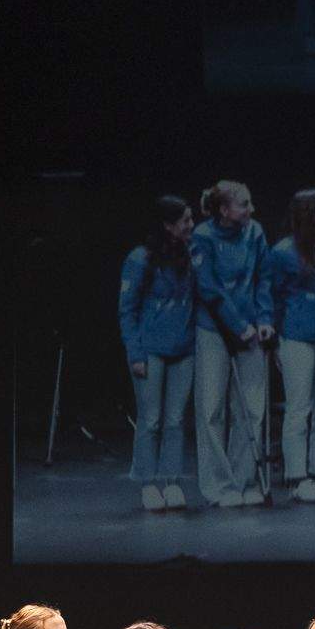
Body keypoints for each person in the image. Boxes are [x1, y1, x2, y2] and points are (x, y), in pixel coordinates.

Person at [192, 180, 275, 509]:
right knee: (212, 409)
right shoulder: (203, 237)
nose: (251, 210)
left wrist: (264, 318)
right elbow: (208, 287)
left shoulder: (255, 232)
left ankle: (245, 480)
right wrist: (238, 326)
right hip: (214, 328)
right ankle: (219, 485)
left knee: (251, 408)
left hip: (251, 328)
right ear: (224, 211)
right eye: (244, 204)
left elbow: (263, 279)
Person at [267, 189, 315, 503]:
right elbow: (273, 297)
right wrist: (275, 341)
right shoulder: (284, 251)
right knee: (299, 409)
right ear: (310, 212)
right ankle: (297, 477)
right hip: (297, 338)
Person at [117, 195, 196, 512]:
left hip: (183, 350)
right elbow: (127, 310)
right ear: (168, 225)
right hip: (150, 351)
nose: (192, 226)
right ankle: (148, 484)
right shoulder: (140, 259)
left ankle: (172, 481)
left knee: (176, 420)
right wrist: (135, 352)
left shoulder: (191, 255)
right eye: (186, 221)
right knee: (150, 419)